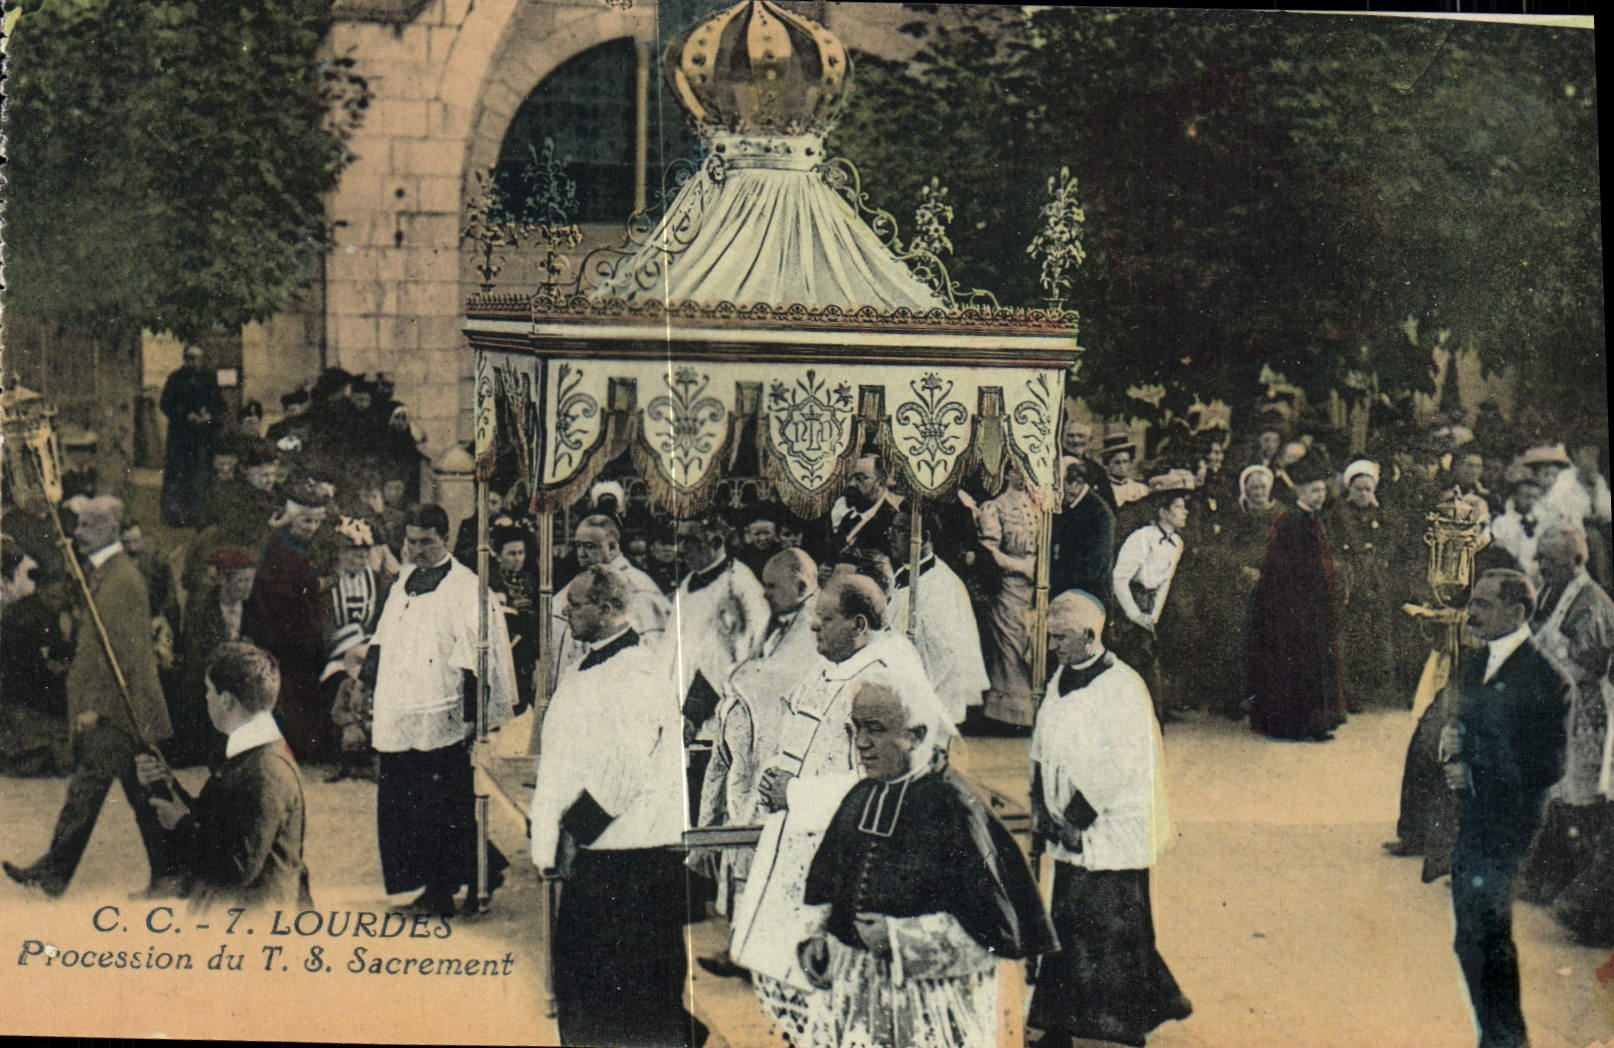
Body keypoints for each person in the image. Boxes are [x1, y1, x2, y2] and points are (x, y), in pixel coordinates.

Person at [797, 673, 1056, 1048]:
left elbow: (988, 937)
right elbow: (826, 888)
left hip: (931, 1005)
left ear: (916, 735)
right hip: (856, 992)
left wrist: (897, 939)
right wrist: (816, 938)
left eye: (876, 730)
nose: (862, 744)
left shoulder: (954, 807)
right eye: (856, 729)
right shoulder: (860, 796)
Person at [730, 574, 932, 1045]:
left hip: (846, 848)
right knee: (793, 992)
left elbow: (889, 781)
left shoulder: (886, 678)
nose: (813, 629)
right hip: (797, 839)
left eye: (824, 620)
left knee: (837, 993)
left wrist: (796, 794)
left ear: (859, 624)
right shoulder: (831, 665)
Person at [528, 565, 704, 1048]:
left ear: (608, 610)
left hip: (627, 858)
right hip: (603, 853)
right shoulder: (595, 664)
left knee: (624, 1000)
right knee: (590, 994)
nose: (566, 611)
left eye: (578, 604)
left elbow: (623, 774)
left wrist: (569, 834)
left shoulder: (636, 671)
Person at [1028, 591, 1193, 1048]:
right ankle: (1061, 1026)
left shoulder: (1124, 687)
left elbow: (1118, 766)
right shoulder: (1062, 676)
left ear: (1089, 634)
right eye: (1050, 637)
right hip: (1067, 829)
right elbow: (1042, 746)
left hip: (1108, 830)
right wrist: (1040, 805)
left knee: (1112, 929)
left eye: (1060, 637)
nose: (1053, 646)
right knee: (1066, 928)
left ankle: (1120, 1024)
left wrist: (1076, 820)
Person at [4, 496, 177, 898]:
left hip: (118, 711)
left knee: (95, 792)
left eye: (85, 526)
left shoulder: (121, 581)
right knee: (140, 793)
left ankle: (55, 875)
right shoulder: (106, 573)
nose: (77, 534)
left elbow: (116, 655)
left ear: (108, 530)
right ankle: (171, 873)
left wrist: (93, 710)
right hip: (121, 710)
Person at [365, 504, 518, 915]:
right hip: (401, 706)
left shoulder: (465, 589)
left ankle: (445, 890)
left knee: (442, 805)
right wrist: (368, 682)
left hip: (442, 711)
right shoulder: (404, 580)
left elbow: (476, 659)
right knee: (404, 802)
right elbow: (385, 634)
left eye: (426, 542)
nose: (416, 550)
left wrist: (471, 719)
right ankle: (465, 876)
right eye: (410, 541)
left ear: (446, 539)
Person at [1443, 569, 1569, 1048]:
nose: (1471, 612)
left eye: (1484, 604)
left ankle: (1505, 1041)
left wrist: (1473, 769)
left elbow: (1548, 766)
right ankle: (1499, 1037)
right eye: (1472, 601)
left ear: (1516, 613)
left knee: (1485, 932)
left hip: (1509, 822)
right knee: (1473, 936)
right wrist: (1452, 740)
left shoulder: (1545, 679)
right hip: (1475, 817)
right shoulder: (1477, 663)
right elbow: (1466, 720)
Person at [694, 548, 828, 976]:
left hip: (784, 759)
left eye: (773, 586)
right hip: (755, 750)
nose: (765, 595)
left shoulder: (812, 624)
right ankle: (742, 945)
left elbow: (777, 677)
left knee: (765, 853)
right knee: (744, 850)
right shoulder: (786, 620)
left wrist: (737, 680)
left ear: (801, 585)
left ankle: (757, 953)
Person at [134, 642, 314, 912]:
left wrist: (181, 823)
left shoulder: (264, 770)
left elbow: (236, 868)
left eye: (209, 690)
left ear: (226, 700)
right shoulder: (256, 755)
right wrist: (170, 785)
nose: (206, 698)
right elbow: (221, 824)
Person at [1515, 525, 1614, 907]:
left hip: (1582, 713)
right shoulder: (1551, 590)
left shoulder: (1593, 603)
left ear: (1577, 561)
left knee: (1576, 796)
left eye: (1549, 560)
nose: (1540, 566)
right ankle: (1541, 879)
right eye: (1538, 558)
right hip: (1551, 706)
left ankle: (1568, 887)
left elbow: (1590, 666)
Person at [1247, 456, 1347, 741]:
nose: (1320, 495)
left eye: (1323, 490)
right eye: (1314, 490)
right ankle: (1294, 725)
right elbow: (1281, 569)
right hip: (1294, 606)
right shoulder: (1290, 523)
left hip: (1314, 604)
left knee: (1315, 661)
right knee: (1296, 663)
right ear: (1299, 492)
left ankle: (1316, 722)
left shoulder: (1313, 521)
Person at [241, 477, 331, 763]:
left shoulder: (298, 549)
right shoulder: (281, 551)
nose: (312, 529)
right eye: (306, 522)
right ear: (291, 519)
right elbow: (274, 598)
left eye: (316, 522)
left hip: (299, 633)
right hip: (283, 635)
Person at [883, 507, 990, 724]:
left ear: (925, 538)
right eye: (892, 529)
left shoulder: (942, 585)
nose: (891, 535)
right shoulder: (904, 574)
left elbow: (942, 652)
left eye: (901, 530)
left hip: (934, 695)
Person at [549, 514, 671, 688]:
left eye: (590, 547)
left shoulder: (637, 586)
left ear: (613, 547)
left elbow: (653, 646)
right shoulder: (581, 582)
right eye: (578, 546)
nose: (581, 554)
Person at [1110, 477, 1190, 719]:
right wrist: (1135, 615)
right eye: (1178, 507)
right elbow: (1119, 579)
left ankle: (1149, 724)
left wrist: (1152, 616)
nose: (1184, 512)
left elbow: (1165, 582)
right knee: (1130, 665)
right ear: (1163, 511)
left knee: (1150, 665)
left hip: (1150, 608)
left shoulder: (1176, 543)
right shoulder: (1141, 538)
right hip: (1128, 604)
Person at [1332, 459, 1403, 710]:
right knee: (1350, 636)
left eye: (1368, 489)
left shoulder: (1383, 517)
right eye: (1358, 489)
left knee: (1374, 635)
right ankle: (1349, 692)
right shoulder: (1340, 515)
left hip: (1374, 583)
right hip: (1350, 582)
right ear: (1349, 489)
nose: (1363, 494)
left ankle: (1370, 689)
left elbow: (1389, 546)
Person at [977, 460, 1041, 727]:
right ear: (1007, 473)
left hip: (1038, 586)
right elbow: (989, 550)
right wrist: (1021, 566)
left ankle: (1033, 711)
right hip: (1009, 585)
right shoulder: (995, 506)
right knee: (1011, 646)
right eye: (1017, 470)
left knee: (1032, 643)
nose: (1023, 476)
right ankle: (1009, 716)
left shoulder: (1039, 504)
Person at [0, 536, 71, 776]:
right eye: (56, 590)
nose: (61, 597)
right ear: (44, 588)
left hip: (28, 687)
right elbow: (33, 667)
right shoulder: (27, 616)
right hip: (24, 694)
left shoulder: (44, 611)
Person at [159, 344, 227, 527]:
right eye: (190, 358)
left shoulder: (209, 379)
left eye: (197, 358)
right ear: (184, 359)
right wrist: (184, 415)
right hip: (181, 438)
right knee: (179, 476)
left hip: (203, 438)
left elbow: (220, 405)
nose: (194, 362)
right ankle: (177, 516)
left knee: (201, 476)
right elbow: (165, 404)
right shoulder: (175, 379)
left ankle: (200, 515)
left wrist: (209, 415)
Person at [1049, 456, 1115, 607]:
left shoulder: (1098, 512)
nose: (1054, 491)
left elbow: (1094, 564)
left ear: (1075, 483)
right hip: (1066, 594)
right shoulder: (1068, 507)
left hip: (1088, 598)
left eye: (1057, 485)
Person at [822, 452, 902, 565]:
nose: (851, 484)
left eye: (860, 478)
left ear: (880, 482)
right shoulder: (848, 518)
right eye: (849, 478)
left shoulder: (894, 520)